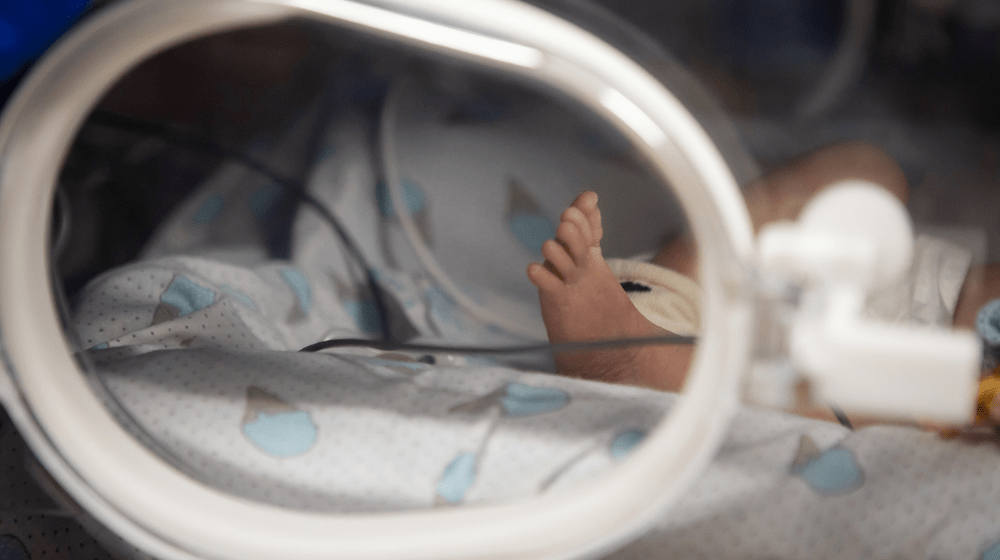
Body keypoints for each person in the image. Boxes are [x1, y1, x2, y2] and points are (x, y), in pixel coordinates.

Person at [527, 141, 999, 428]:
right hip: (899, 267)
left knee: (837, 406)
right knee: (868, 170)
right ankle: (661, 297)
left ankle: (637, 356)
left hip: (924, 388)